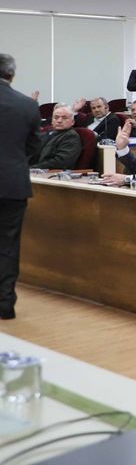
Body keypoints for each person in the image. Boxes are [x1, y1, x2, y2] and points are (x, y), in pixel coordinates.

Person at [0, 54, 41, 319]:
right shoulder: (27, 104)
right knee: (8, 244)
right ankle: (5, 304)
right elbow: (34, 147)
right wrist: (14, 163)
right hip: (13, 184)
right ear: (12, 75)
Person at [29, 105, 82, 170]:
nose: (59, 120)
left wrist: (32, 168)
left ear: (72, 122)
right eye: (56, 117)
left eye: (64, 118)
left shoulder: (71, 136)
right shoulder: (47, 133)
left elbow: (60, 162)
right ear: (52, 120)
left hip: (50, 172)